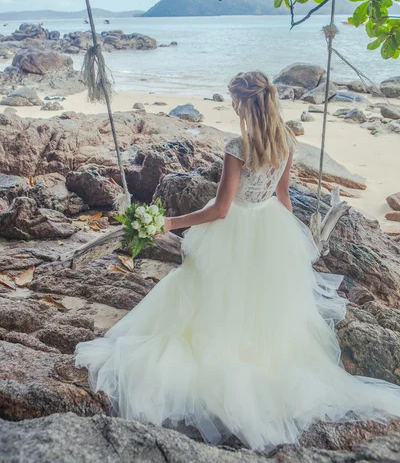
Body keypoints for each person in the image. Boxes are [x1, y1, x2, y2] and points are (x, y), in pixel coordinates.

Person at [75, 71, 400, 451]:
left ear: (245, 103)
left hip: (236, 228)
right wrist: (293, 240)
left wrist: (171, 222)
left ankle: (221, 368)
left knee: (206, 292)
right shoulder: (285, 142)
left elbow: (221, 209)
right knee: (260, 301)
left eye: (233, 99)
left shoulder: (237, 146)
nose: (231, 104)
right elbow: (284, 200)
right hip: (270, 226)